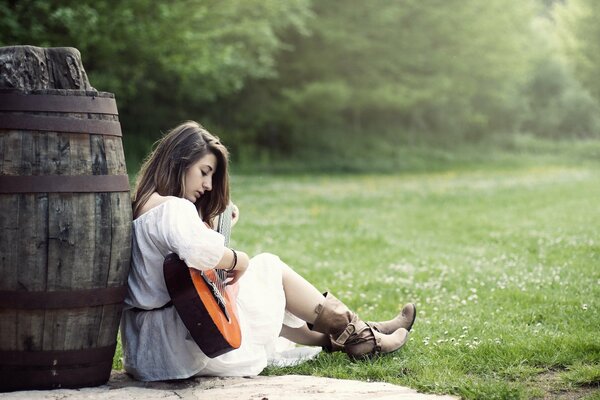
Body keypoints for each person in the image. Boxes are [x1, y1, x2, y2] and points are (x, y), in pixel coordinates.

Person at [121, 121, 416, 381]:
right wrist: (241, 260)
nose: (208, 185)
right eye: (204, 172)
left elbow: (186, 271)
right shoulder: (173, 208)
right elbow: (202, 253)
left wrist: (216, 228)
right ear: (179, 161)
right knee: (268, 267)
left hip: (150, 350)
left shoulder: (143, 205)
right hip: (184, 347)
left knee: (255, 295)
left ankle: (357, 332)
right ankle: (359, 335)